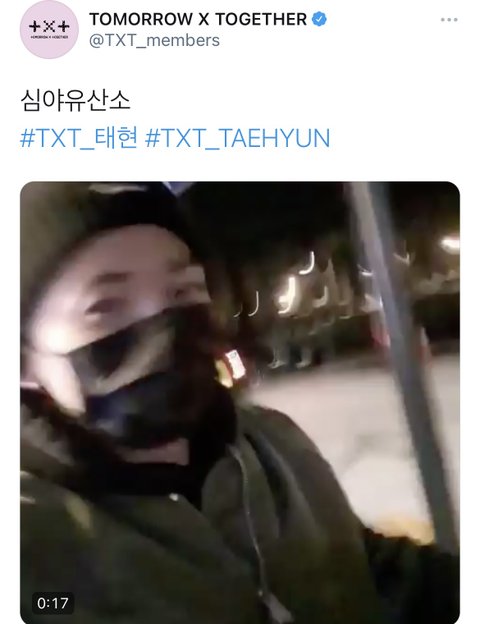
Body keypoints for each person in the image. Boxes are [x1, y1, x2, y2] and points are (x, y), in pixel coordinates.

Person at [20, 182, 459, 624]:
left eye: (184, 291)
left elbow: (367, 570)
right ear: (22, 361)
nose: (165, 328)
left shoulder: (272, 443)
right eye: (105, 306)